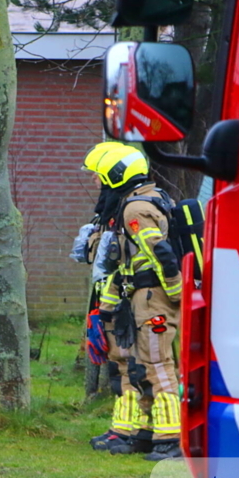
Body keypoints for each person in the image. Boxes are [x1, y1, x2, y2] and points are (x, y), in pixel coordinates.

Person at [83, 142, 182, 461]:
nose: (95, 183)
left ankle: (171, 437)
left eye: (98, 176)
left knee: (157, 365)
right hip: (135, 299)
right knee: (130, 366)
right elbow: (123, 265)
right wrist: (108, 308)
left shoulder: (135, 210)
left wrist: (177, 295)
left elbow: (160, 255)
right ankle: (132, 432)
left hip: (153, 300)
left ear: (115, 175)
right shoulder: (130, 205)